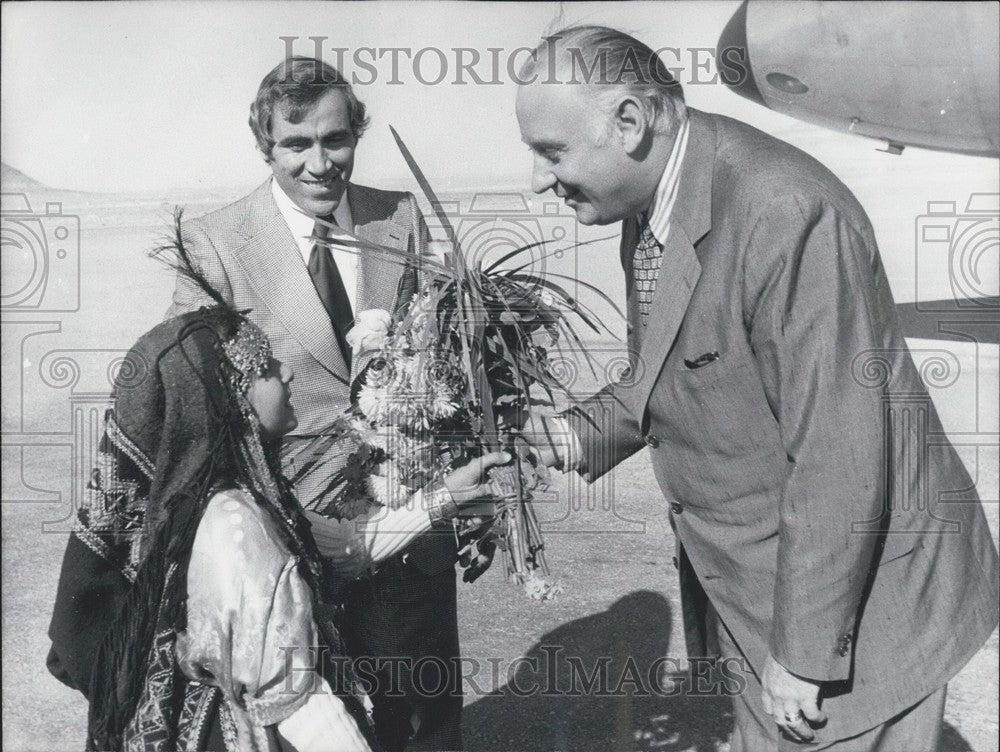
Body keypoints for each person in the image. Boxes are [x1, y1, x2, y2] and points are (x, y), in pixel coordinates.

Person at [515, 25, 1000, 752]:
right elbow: (669, 377)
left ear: (629, 121)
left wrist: (802, 658)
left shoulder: (784, 215)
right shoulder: (656, 205)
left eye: (551, 152)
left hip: (852, 624)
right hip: (758, 599)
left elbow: (840, 455)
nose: (538, 178)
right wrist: (559, 435)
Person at [47, 295, 508, 751]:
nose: (286, 372)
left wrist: (445, 497)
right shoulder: (234, 523)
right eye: (265, 368)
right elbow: (300, 704)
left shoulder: (223, 501)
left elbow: (345, 549)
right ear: (228, 399)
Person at [166, 57, 467, 751]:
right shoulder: (214, 242)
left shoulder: (400, 217)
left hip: (410, 524)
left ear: (356, 134)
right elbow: (197, 404)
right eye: (296, 145)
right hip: (291, 530)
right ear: (265, 146)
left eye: (336, 140)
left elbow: (447, 359)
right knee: (314, 722)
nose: (320, 162)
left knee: (422, 723)